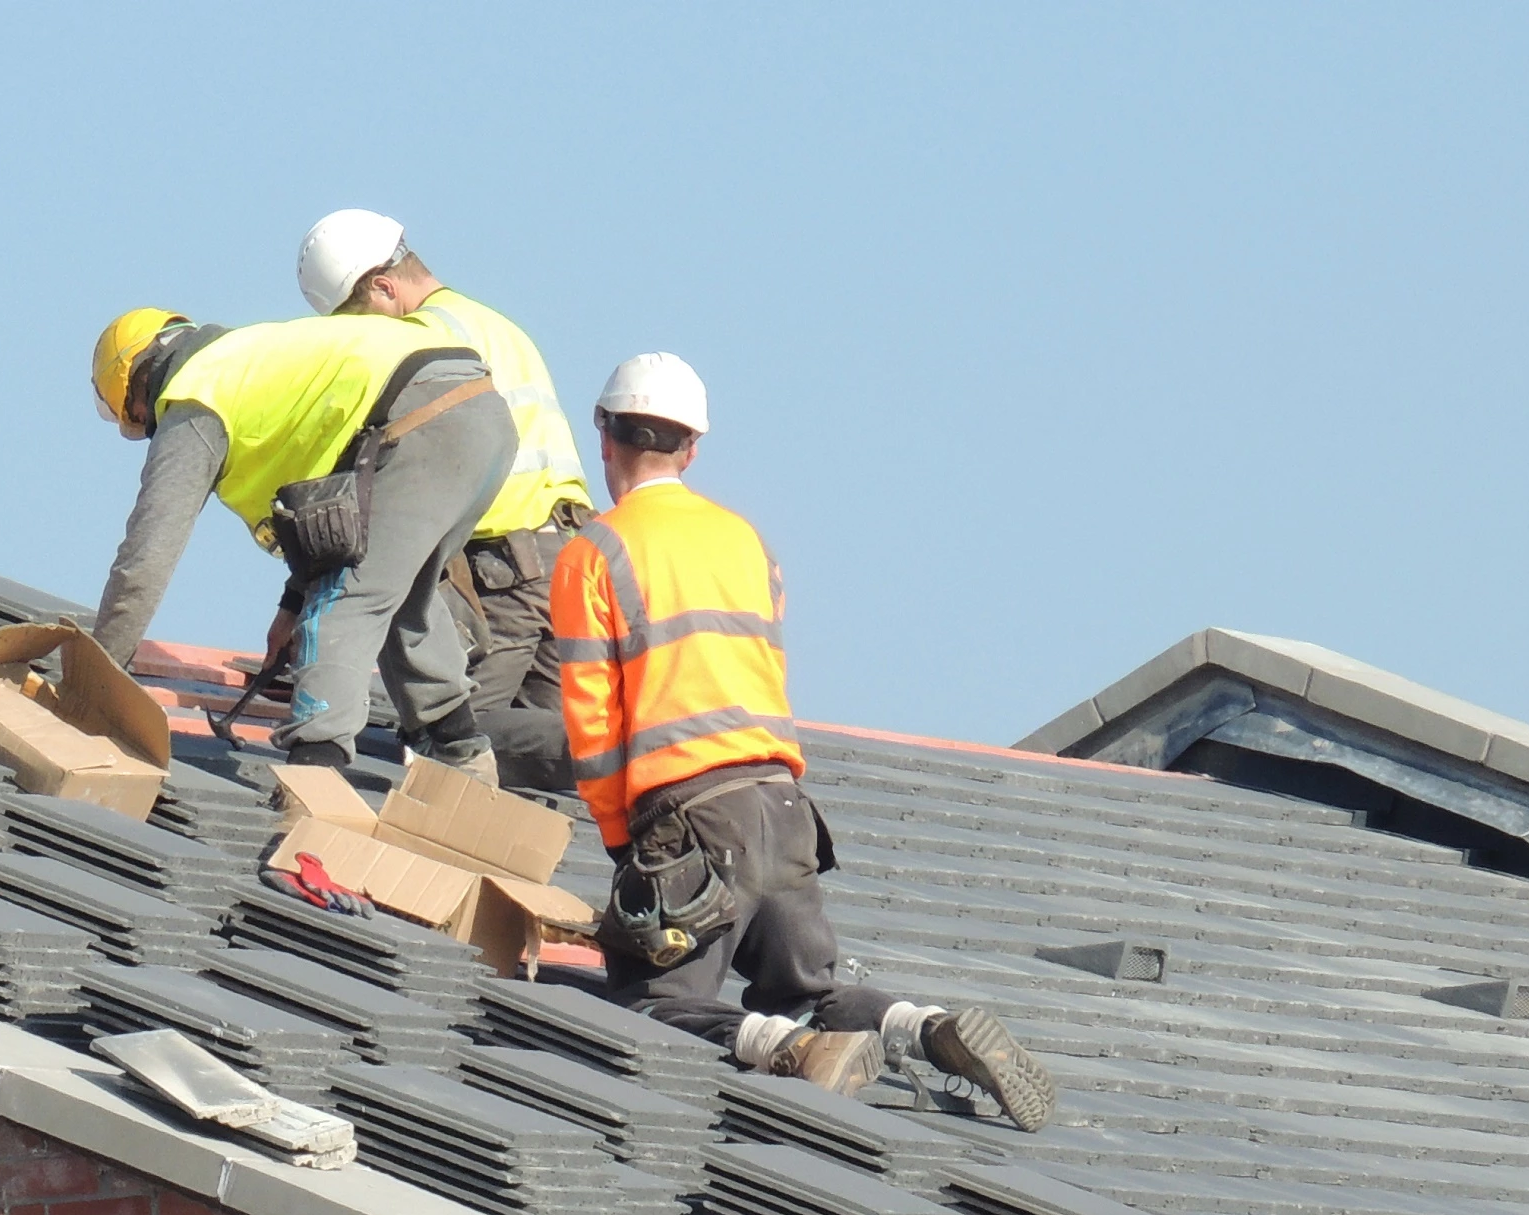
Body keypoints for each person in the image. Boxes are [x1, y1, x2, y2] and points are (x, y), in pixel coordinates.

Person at [537, 352, 1058, 1127]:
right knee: (810, 990)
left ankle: (788, 1050)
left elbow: (592, 714)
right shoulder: (748, 543)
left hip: (687, 819)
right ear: (693, 448)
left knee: (649, 1004)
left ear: (604, 435)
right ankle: (927, 1026)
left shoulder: (595, 553)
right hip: (784, 809)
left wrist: (624, 841)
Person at [85, 306, 513, 775]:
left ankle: (314, 773)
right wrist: (291, 604)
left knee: (342, 606)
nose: (147, 426)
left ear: (138, 387)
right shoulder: (251, 364)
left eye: (137, 417)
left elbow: (145, 562)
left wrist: (93, 678)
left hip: (422, 420)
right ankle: (460, 752)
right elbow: (333, 518)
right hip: (480, 413)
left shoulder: (194, 397)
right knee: (401, 594)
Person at [295, 210, 592, 719]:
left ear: (385, 288)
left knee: (448, 737)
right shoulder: (498, 325)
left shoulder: (421, 343)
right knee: (549, 766)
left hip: (501, 577)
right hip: (571, 567)